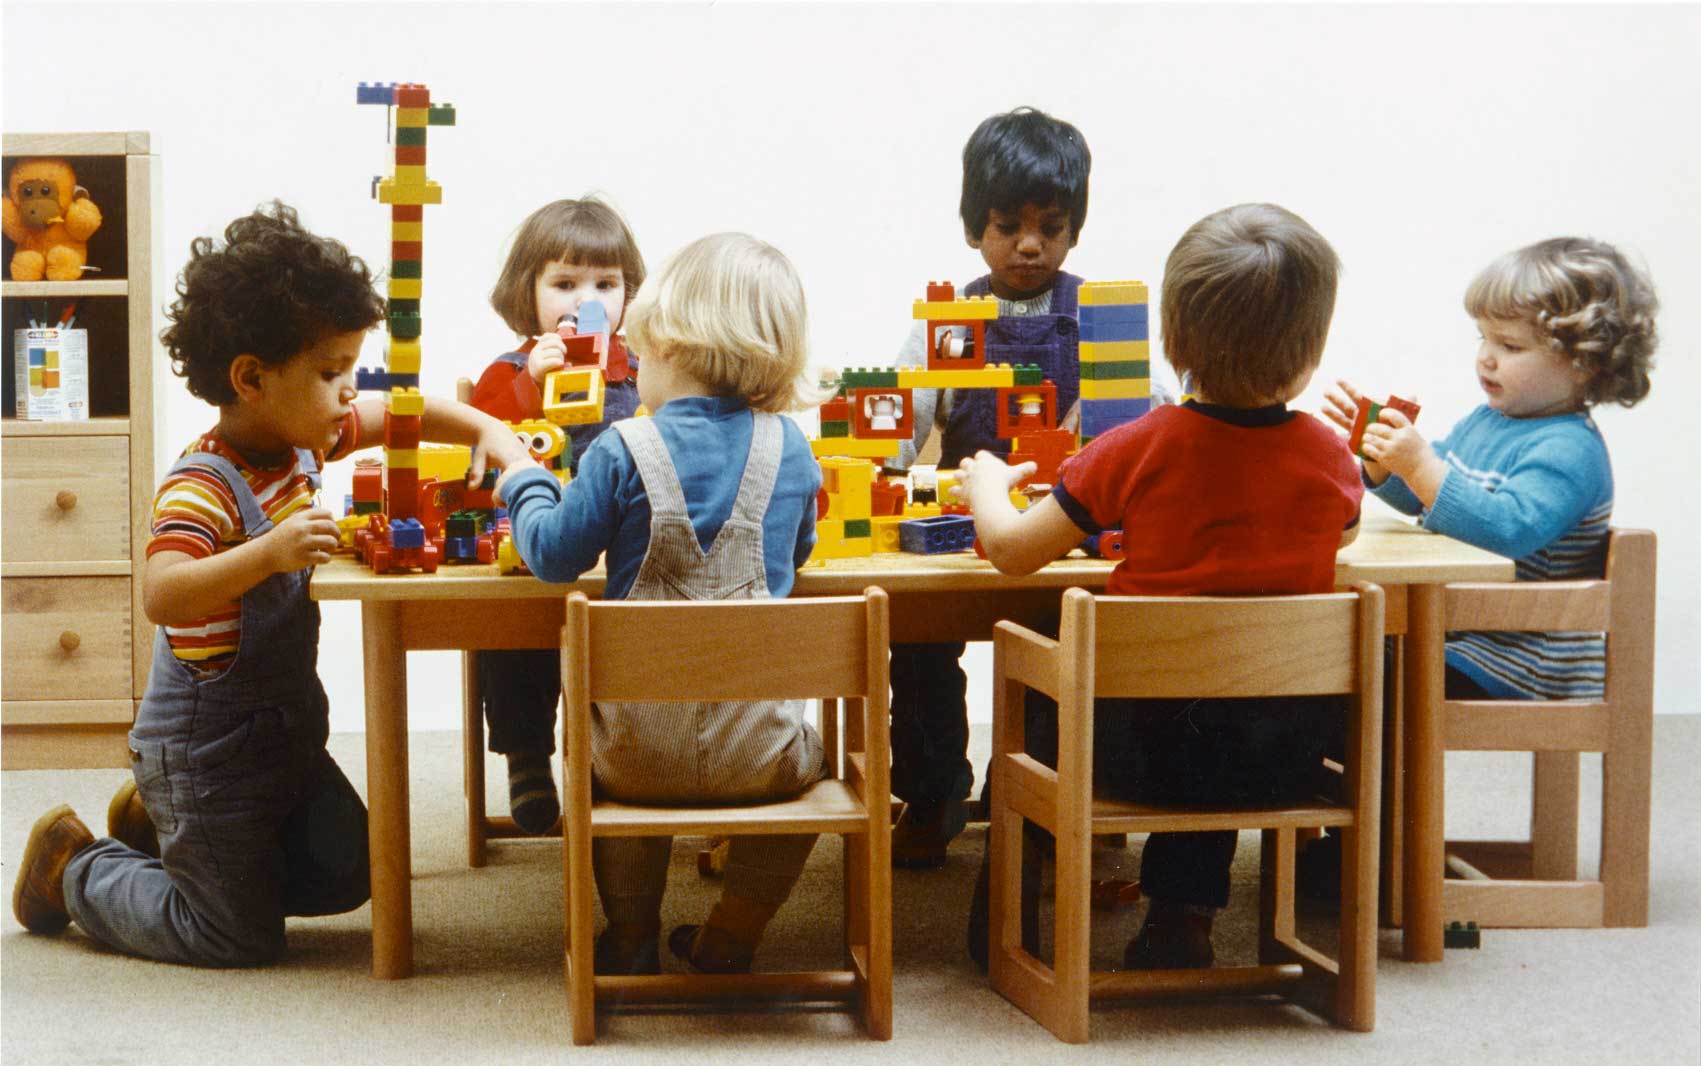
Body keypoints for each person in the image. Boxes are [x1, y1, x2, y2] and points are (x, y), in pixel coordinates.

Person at [11, 202, 527, 964]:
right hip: (206, 752)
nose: (350, 392)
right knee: (232, 936)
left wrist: (490, 430)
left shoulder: (302, 436)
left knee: (354, 867)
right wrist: (269, 553)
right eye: (331, 373)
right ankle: (74, 867)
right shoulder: (203, 484)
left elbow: (400, 414)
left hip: (283, 737)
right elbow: (164, 593)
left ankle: (161, 834)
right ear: (252, 378)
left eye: (348, 370)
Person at [956, 203, 1362, 969]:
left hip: (1132, 755)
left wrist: (985, 483)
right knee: (1223, 687)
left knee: (1044, 665)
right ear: (1308, 353)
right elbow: (1339, 536)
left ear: (1172, 341)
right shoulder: (1330, 461)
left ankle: (1008, 902)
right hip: (1281, 755)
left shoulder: (1134, 448)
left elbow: (1010, 552)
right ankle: (1182, 916)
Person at [495, 232, 826, 975]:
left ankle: (633, 934)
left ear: (671, 346)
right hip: (760, 755)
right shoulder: (793, 450)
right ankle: (733, 931)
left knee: (607, 746)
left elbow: (550, 555)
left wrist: (524, 480)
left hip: (632, 758)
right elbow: (795, 559)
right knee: (816, 761)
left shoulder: (619, 447)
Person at [882, 106, 1177, 868]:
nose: (1027, 244)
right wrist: (894, 476)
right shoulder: (945, 319)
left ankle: (1044, 797)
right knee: (913, 648)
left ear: (1074, 228)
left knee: (1072, 659)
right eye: (1006, 224)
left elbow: (1160, 400)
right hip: (967, 534)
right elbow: (899, 426)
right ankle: (932, 788)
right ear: (973, 225)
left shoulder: (1100, 311)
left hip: (1070, 535)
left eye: (1049, 226)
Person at [1324, 236, 1657, 701]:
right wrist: (1382, 460)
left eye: (1510, 345)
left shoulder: (1571, 450)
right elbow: (1428, 492)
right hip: (1462, 633)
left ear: (1584, 363)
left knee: (1348, 676)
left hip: (1514, 657)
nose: (1486, 356)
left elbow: (1505, 532)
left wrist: (1420, 464)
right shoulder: (1488, 421)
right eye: (1483, 336)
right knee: (1336, 658)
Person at [467, 196, 648, 835]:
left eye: (606, 283)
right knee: (508, 631)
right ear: (529, 290)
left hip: (623, 546)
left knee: (648, 633)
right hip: (537, 536)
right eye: (565, 283)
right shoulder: (510, 369)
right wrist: (529, 388)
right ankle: (526, 755)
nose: (585, 300)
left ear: (629, 292)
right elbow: (486, 446)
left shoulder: (644, 369)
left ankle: (629, 751)